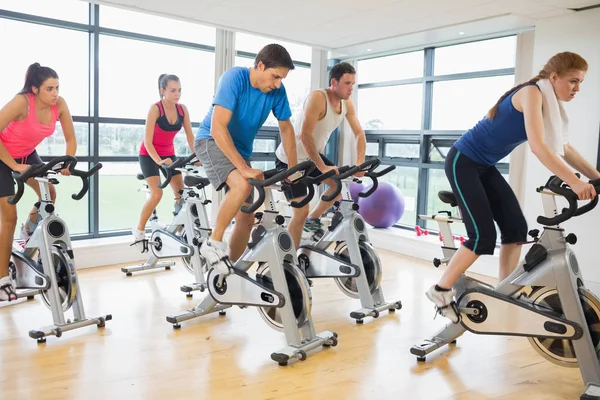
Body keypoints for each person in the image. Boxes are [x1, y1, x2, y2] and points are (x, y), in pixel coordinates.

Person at [426, 51, 600, 323]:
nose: (577, 88)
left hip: (484, 166)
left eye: (580, 83)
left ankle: (503, 292)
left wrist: (596, 177)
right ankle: (440, 290)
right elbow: (539, 147)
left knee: (516, 230)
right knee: (482, 237)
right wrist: (575, 181)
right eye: (573, 81)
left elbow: (564, 148)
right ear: (554, 77)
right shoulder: (532, 94)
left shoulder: (550, 105)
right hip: (463, 161)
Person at [194, 43, 298, 275]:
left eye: (282, 79)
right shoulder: (235, 78)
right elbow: (218, 127)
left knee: (247, 215)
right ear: (260, 65)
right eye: (275, 76)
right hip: (210, 140)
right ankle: (212, 244)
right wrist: (243, 168)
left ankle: (231, 271)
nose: (277, 84)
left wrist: (292, 168)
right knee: (241, 185)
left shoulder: (277, 92)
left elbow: (287, 129)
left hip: (239, 149)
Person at [0, 62, 77, 302]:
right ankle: (2, 279)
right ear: (35, 89)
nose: (55, 94)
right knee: (8, 216)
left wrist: (68, 162)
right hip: (3, 156)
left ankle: (28, 232)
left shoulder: (60, 104)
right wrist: (13, 165)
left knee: (49, 195)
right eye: (50, 89)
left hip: (27, 154)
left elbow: (71, 138)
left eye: (57, 88)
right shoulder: (22, 102)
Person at [274, 62, 366, 248]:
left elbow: (359, 134)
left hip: (311, 157)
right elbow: (304, 135)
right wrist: (322, 167)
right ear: (334, 82)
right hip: (289, 159)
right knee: (300, 211)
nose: (351, 89)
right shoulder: (318, 97)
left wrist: (360, 163)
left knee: (336, 186)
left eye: (353, 84)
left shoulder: (347, 103)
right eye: (347, 83)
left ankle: (312, 221)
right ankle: (287, 260)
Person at [131, 74, 195, 246]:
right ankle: (139, 230)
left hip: (169, 155)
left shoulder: (182, 110)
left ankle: (179, 228)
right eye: (173, 90)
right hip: (149, 154)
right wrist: (159, 161)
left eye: (179, 90)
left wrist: (198, 156)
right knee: (157, 193)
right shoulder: (155, 109)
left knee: (181, 194)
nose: (177, 94)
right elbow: (147, 141)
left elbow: (190, 137)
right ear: (162, 91)